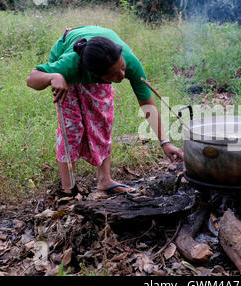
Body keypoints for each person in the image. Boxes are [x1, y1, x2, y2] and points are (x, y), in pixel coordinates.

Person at [26, 25, 183, 195]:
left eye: (122, 67)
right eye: (114, 74)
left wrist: (164, 143)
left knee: (102, 120)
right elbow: (32, 78)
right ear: (95, 75)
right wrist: (54, 76)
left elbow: (147, 105)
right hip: (65, 69)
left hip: (98, 51)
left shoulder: (128, 61)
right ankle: (68, 189)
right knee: (72, 127)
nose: (122, 75)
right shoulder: (68, 65)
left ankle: (104, 180)